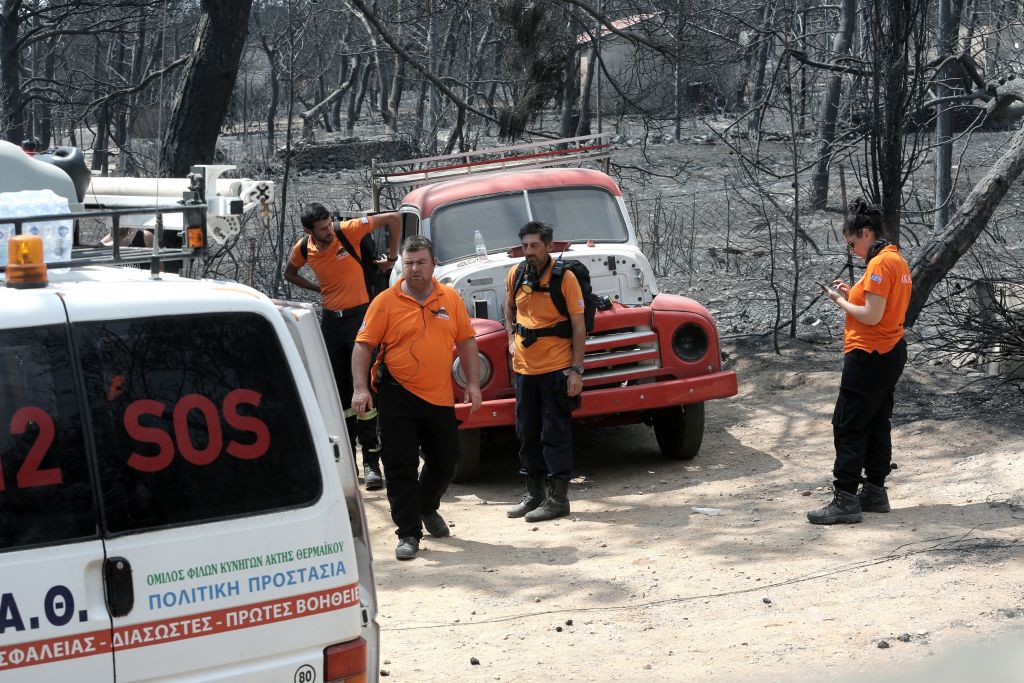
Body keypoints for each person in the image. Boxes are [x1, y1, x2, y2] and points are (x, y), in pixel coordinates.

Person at [351, 235, 482, 560]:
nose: (414, 269)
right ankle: (408, 533)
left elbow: (466, 341)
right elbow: (363, 345)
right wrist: (360, 388)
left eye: (420, 262)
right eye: (408, 263)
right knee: (400, 467)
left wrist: (473, 383)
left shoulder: (449, 298)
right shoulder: (385, 301)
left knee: (446, 459)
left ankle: (426, 506)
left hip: (438, 397)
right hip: (397, 396)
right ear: (401, 266)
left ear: (433, 263)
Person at [808, 198, 912, 525]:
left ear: (866, 233)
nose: (851, 250)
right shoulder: (896, 260)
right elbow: (878, 302)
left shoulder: (880, 264)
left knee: (849, 423)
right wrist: (852, 291)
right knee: (877, 421)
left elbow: (871, 315)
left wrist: (840, 301)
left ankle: (845, 498)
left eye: (852, 243)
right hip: (889, 352)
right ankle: (875, 491)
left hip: (869, 355)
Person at [284, 202, 400, 491]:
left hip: (360, 317)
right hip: (331, 323)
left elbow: (394, 218)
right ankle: (347, 459)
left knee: (364, 387)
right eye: (321, 229)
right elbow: (290, 273)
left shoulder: (347, 230)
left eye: (327, 225)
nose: (327, 231)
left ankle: (372, 462)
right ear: (308, 230)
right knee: (341, 392)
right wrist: (316, 289)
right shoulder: (303, 248)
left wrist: (393, 258)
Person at [504, 221, 586, 523]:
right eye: (525, 246)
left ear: (549, 246)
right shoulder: (515, 275)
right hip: (525, 370)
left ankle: (558, 499)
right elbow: (509, 309)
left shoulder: (565, 279)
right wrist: (510, 337)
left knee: (555, 433)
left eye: (535, 245)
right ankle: (534, 494)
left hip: (556, 369)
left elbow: (579, 328)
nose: (529, 252)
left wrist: (576, 371)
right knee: (526, 432)